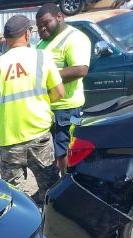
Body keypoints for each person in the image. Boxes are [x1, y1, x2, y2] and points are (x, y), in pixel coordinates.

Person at [0, 15, 65, 204]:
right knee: (51, 188)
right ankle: (50, 227)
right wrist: (41, 101)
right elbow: (60, 92)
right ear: (27, 34)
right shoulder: (42, 57)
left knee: (13, 197)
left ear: (6, 39)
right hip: (39, 137)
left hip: (10, 141)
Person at [36, 2, 91, 175]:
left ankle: (67, 184)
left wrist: (47, 77)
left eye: (46, 23)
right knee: (50, 151)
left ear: (59, 17)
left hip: (66, 108)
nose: (42, 29)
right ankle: (55, 183)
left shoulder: (74, 38)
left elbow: (80, 69)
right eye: (38, 27)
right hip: (47, 108)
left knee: (63, 151)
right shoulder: (43, 44)